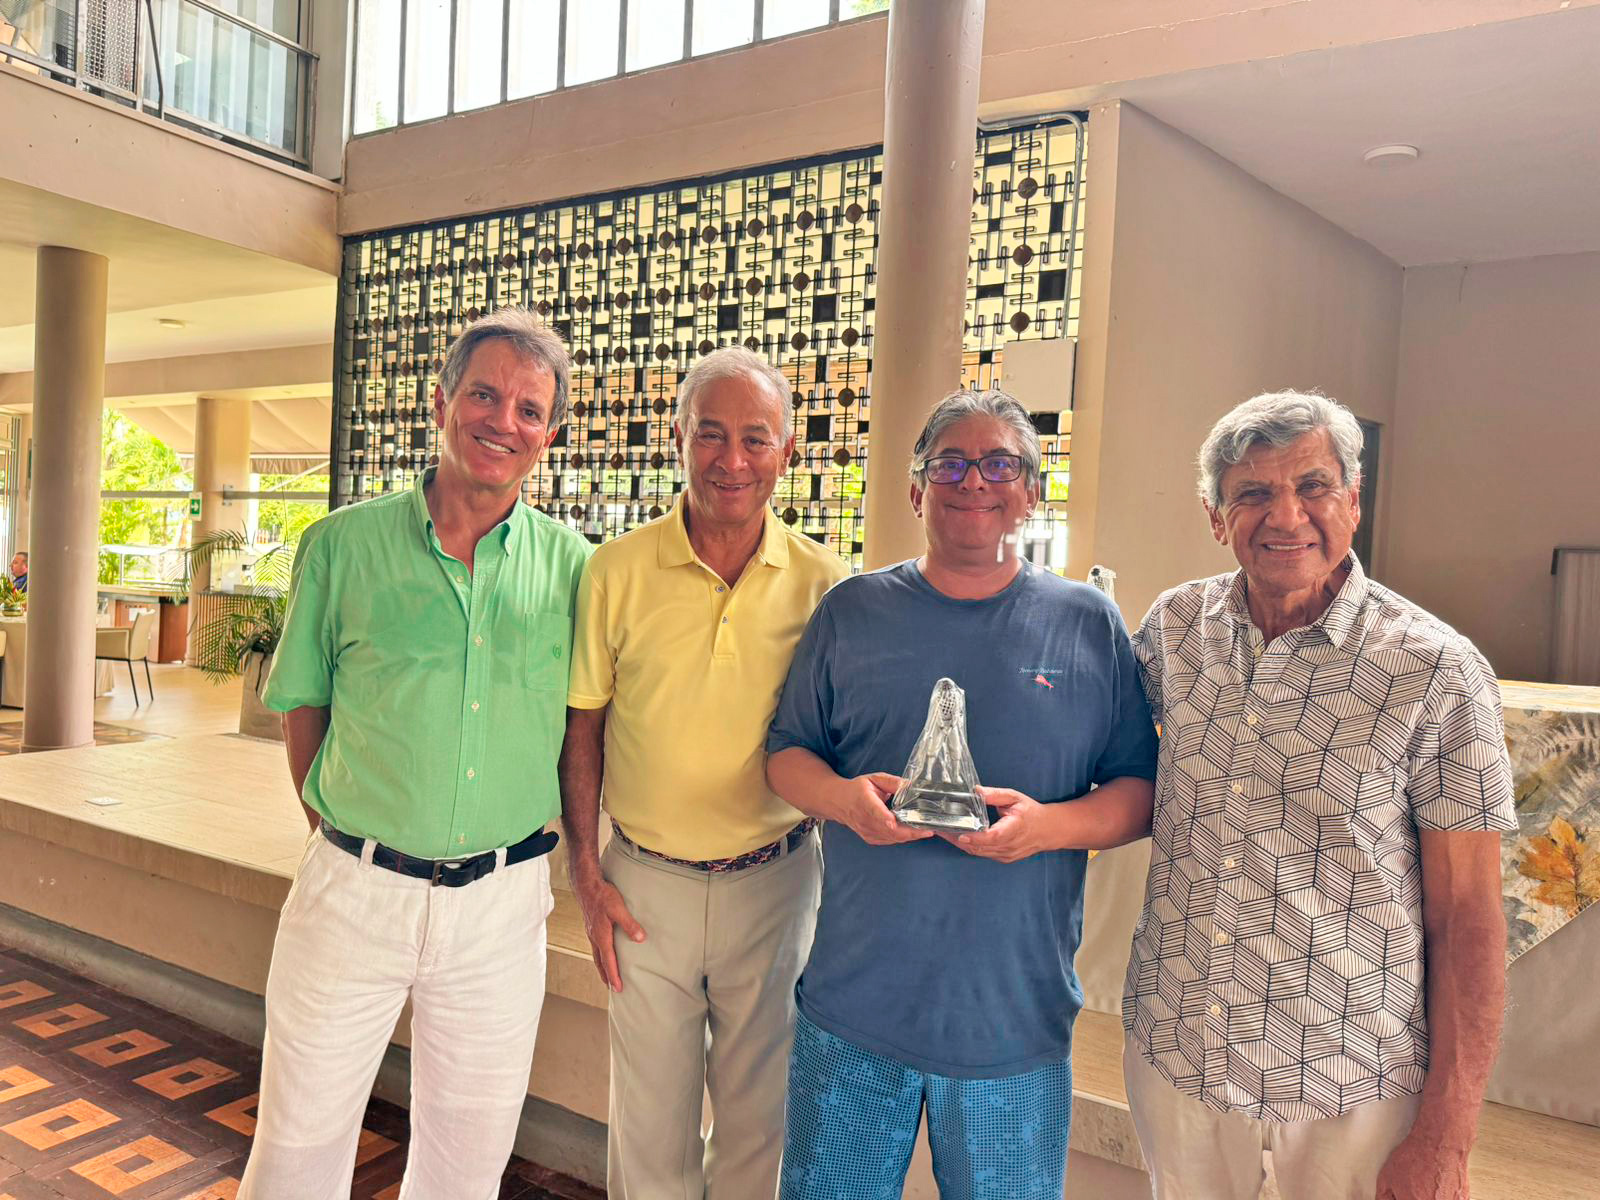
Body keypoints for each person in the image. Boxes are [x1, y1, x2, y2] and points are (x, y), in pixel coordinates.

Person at [1123, 391, 1517, 1200]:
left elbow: (1468, 916)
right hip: (1181, 1056)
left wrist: (1447, 1137)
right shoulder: (1175, 629)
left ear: (1354, 502)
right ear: (1216, 516)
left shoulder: (1434, 669)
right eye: (1253, 493)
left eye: (1313, 487)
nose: (1286, 516)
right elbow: (1099, 758)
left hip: (1351, 1082)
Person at [766, 388, 1158, 1200]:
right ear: (916, 490)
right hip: (855, 1008)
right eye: (949, 464)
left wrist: (1045, 828)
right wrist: (844, 801)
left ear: (1031, 491)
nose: (973, 481)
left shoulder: (1087, 623)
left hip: (1011, 1019)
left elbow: (1139, 793)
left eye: (999, 465)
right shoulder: (853, 611)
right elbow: (786, 757)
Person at [239, 308, 590, 1200]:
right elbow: (302, 705)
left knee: (467, 1166)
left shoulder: (576, 569)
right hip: (353, 892)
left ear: (548, 436)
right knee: (295, 1152)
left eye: (528, 410)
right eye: (484, 395)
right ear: (440, 403)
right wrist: (342, 834)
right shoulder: (340, 546)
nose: (502, 421)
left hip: (502, 908)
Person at [560, 348, 846, 1199]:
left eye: (756, 439)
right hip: (644, 886)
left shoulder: (828, 586)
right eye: (711, 434)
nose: (732, 460)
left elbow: (844, 743)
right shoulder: (614, 570)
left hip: (778, 885)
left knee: (762, 1127)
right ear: (677, 436)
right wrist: (586, 876)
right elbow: (583, 729)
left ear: (787, 451)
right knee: (649, 1131)